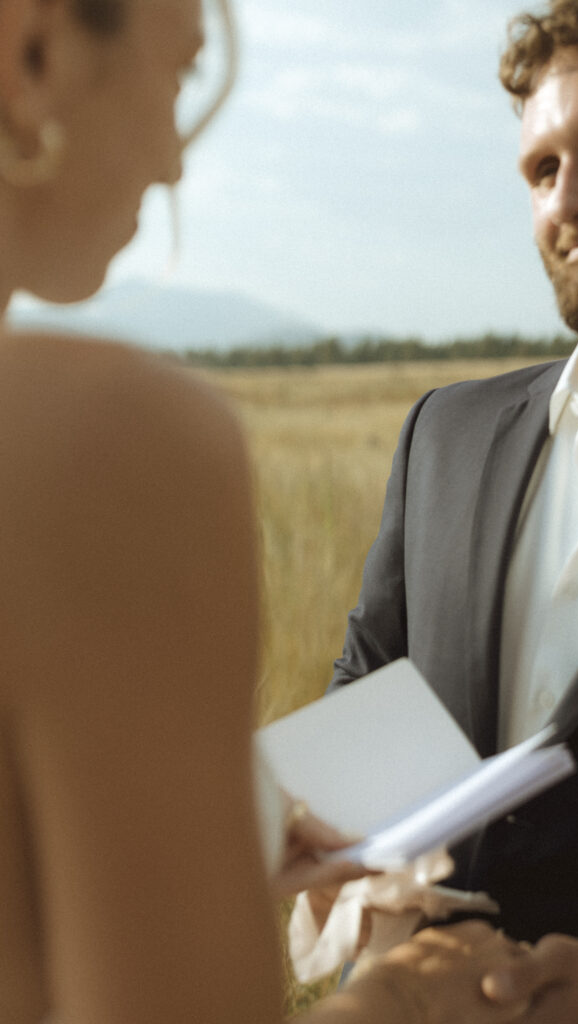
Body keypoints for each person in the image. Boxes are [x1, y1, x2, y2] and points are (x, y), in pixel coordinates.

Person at [0, 1, 534, 1022]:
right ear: (35, 49)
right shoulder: (104, 444)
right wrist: (400, 1001)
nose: (171, 161)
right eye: (179, 77)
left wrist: (215, 830)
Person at [329, 0, 578, 1021]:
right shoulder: (445, 439)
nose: (570, 197)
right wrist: (342, 874)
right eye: (540, 169)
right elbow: (366, 718)